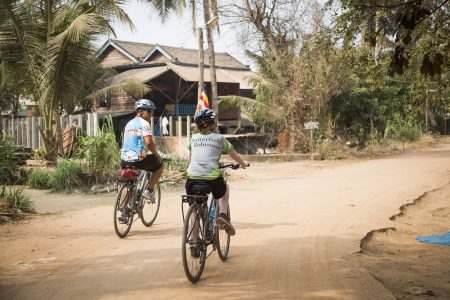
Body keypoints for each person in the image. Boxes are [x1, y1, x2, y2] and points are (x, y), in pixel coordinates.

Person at [186, 108, 247, 243]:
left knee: (194, 212)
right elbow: (234, 155)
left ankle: (194, 243)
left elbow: (191, 160)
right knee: (224, 189)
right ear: (213, 123)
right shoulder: (219, 138)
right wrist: (242, 164)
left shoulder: (193, 138)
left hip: (192, 178)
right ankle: (223, 214)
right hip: (211, 178)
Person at [120, 99, 164, 200]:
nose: (151, 114)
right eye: (150, 111)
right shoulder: (144, 123)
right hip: (138, 159)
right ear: (143, 111)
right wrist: (156, 155)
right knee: (160, 164)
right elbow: (149, 142)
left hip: (124, 159)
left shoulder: (129, 124)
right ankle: (149, 190)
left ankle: (124, 212)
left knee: (128, 184)